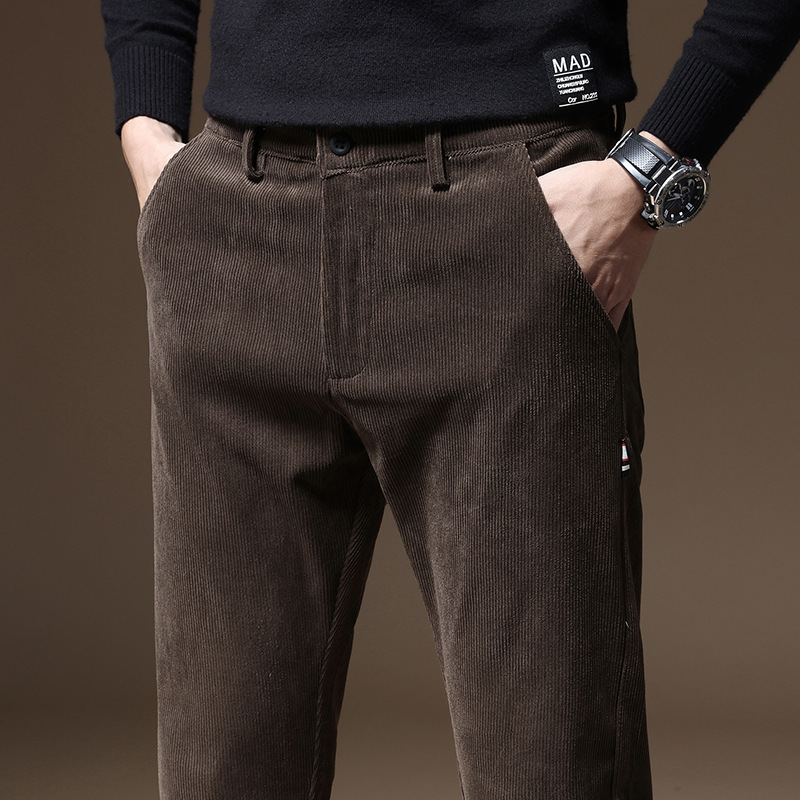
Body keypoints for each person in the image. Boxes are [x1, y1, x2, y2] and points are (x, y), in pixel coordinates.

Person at [101, 2, 799, 798]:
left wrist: (649, 169)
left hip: (506, 225)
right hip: (236, 230)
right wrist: (147, 129)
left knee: (551, 770)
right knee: (220, 776)